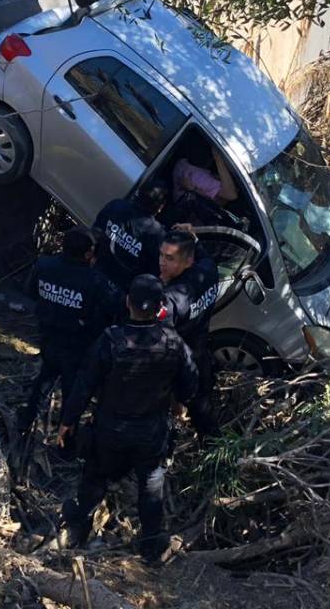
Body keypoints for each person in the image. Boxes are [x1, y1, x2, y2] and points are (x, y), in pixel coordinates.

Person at [57, 275, 198, 564]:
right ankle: (150, 544)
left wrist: (67, 421)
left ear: (127, 302)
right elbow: (191, 384)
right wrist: (178, 402)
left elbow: (84, 383)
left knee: (96, 474)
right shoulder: (173, 343)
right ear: (161, 307)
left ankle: (79, 526)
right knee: (151, 482)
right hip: (151, 430)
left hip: (110, 427)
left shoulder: (110, 340)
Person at [18, 227, 122, 440]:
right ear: (87, 254)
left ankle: (25, 421)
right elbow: (117, 306)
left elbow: (30, 292)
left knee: (44, 378)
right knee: (72, 390)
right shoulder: (95, 280)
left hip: (47, 335)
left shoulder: (44, 264)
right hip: (77, 344)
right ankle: (66, 441)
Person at [158, 228, 220, 436]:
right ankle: (210, 441)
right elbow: (202, 254)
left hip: (179, 358)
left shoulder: (172, 297)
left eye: (169, 258)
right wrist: (194, 237)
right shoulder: (209, 269)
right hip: (200, 347)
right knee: (202, 404)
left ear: (188, 261)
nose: (161, 262)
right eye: (161, 255)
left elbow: (159, 334)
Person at [91, 180, 168, 291]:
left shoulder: (115, 206)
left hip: (95, 274)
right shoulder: (157, 234)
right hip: (120, 292)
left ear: (138, 193)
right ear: (160, 207)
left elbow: (95, 233)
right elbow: (153, 272)